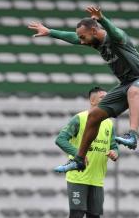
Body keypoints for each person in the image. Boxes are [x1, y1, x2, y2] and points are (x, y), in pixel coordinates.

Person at [28, 6, 139, 172]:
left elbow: (114, 31)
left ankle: (132, 135)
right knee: (94, 116)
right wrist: (50, 32)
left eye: (83, 37)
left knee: (133, 92)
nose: (81, 41)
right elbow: (73, 37)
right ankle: (79, 160)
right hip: (125, 84)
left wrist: (102, 18)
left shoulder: (116, 38)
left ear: (95, 31)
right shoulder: (95, 43)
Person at [54, 86, 118, 218]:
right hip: (78, 177)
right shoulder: (80, 118)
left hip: (97, 179)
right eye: (102, 97)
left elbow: (113, 146)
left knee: (94, 216)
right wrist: (79, 155)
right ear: (92, 101)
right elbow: (60, 139)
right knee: (77, 214)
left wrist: (114, 152)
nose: (107, 100)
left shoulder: (109, 124)